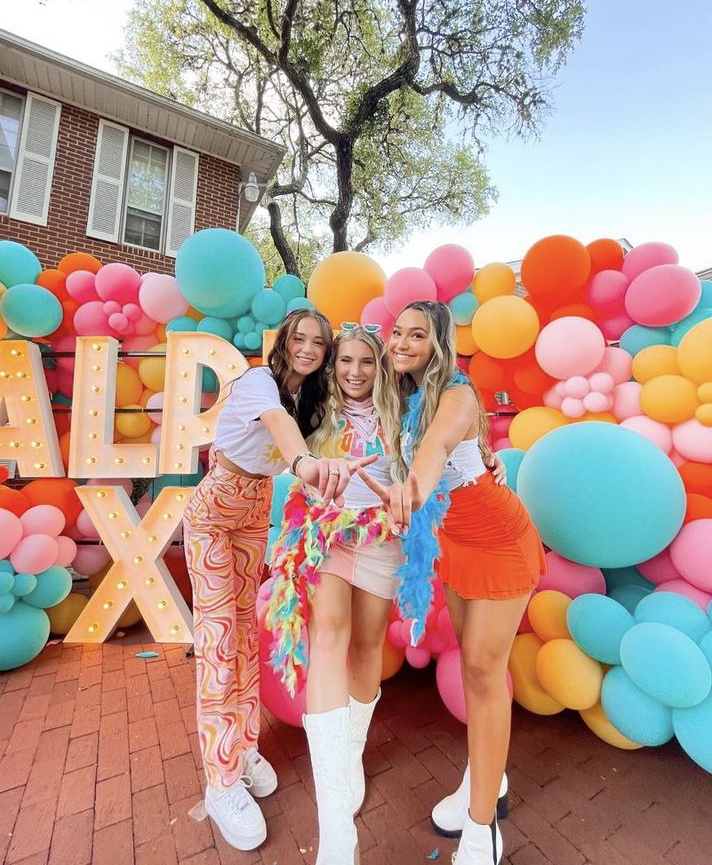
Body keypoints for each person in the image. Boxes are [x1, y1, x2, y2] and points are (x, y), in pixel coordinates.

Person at [362, 301, 547, 865]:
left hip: (498, 539)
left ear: (439, 345)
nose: (403, 342)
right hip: (457, 544)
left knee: (485, 671)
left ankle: (483, 826)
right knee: (473, 666)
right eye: (397, 333)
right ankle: (488, 779)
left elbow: (437, 447)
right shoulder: (401, 394)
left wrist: (408, 490)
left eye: (418, 335)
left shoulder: (457, 393)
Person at [183, 308, 374, 853]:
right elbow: (279, 428)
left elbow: (341, 424)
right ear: (284, 342)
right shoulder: (258, 383)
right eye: (300, 339)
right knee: (219, 642)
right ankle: (220, 781)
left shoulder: (310, 399)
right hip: (216, 512)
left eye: (319, 343)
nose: (308, 349)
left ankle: (241, 747)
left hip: (253, 510)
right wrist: (305, 462)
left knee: (245, 634)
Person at [267, 325, 401, 864]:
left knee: (367, 647)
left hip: (383, 539)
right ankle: (336, 829)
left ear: (380, 367)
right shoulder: (314, 403)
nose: (354, 371)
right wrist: (319, 472)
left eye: (366, 362)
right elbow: (290, 458)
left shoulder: (401, 410)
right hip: (324, 534)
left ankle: (350, 756)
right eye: (345, 360)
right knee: (328, 636)